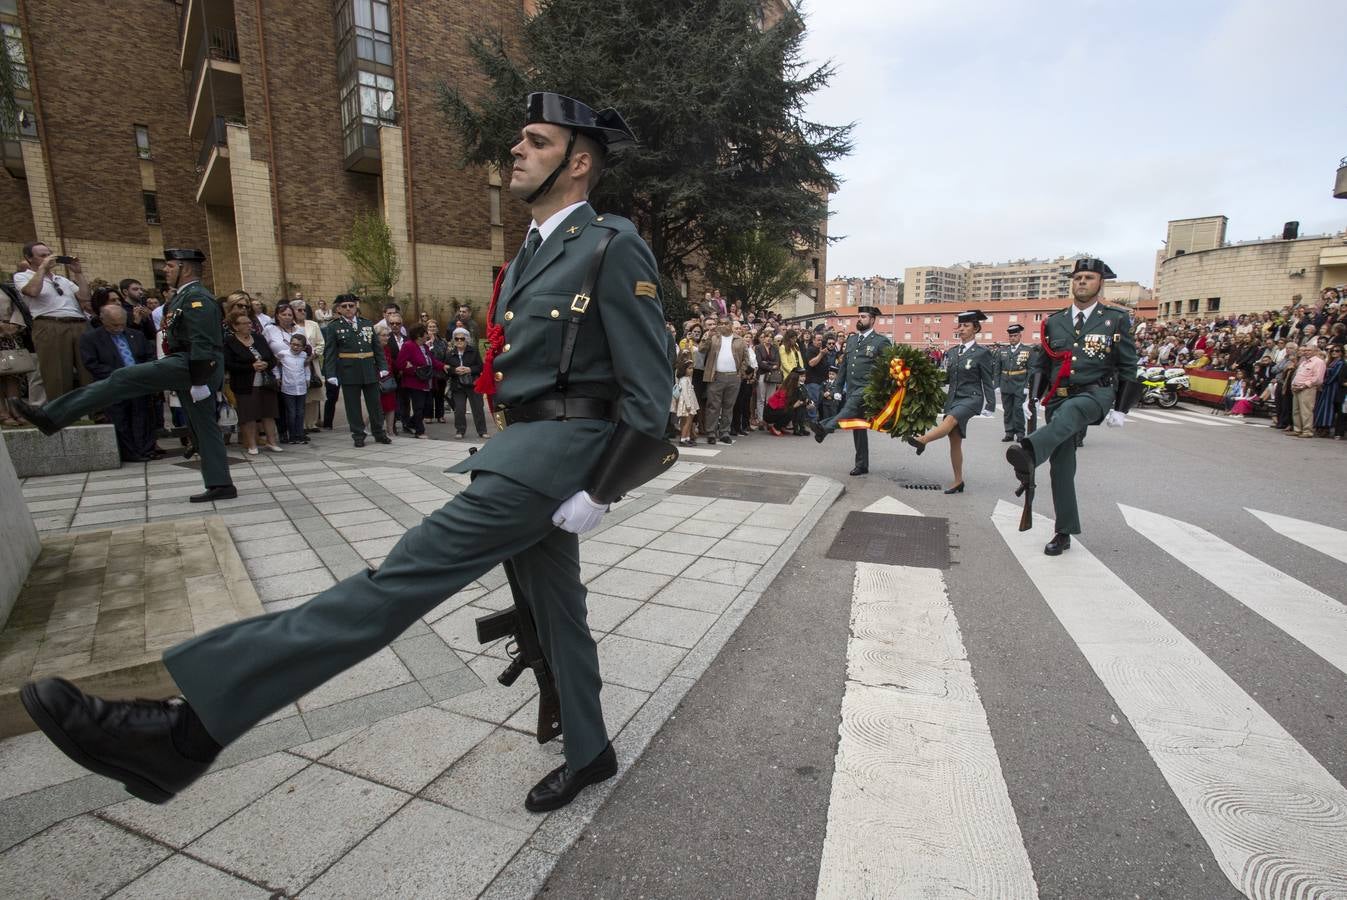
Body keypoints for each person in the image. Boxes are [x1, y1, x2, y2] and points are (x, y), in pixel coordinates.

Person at [18, 92, 671, 816]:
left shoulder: (612, 245)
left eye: (535, 141)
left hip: (559, 458)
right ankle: (591, 749)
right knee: (557, 611)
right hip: (521, 450)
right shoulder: (532, 253)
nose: (515, 150)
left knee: (390, 586)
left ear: (578, 163)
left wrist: (604, 489)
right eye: (519, 139)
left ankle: (184, 732)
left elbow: (650, 387)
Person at [12, 249, 236, 502]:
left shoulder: (197, 298)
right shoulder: (183, 297)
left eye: (170, 266)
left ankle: (50, 416)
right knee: (203, 426)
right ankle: (221, 484)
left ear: (185, 269)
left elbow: (203, 344)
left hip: (193, 364)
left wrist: (199, 380)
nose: (165, 270)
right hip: (193, 365)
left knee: (123, 378)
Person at [1005, 258, 1140, 556]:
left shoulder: (1114, 319)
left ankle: (1028, 451)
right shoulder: (1055, 321)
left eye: (1089, 277)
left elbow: (1129, 363)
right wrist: (1032, 396)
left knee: (1071, 412)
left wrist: (1122, 407)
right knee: (1061, 469)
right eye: (1078, 277)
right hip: (1058, 395)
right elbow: (1043, 362)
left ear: (1100, 283)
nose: (1082, 282)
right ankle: (1064, 531)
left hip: (1096, 393)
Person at [906, 310, 996, 493]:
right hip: (954, 398)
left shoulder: (982, 353)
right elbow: (947, 377)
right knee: (954, 440)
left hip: (971, 398)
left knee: (949, 422)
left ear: (976, 328)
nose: (961, 329)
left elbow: (987, 380)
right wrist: (924, 380)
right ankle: (958, 481)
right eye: (960, 326)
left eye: (966, 326)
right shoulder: (953, 352)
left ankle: (923, 440)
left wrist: (991, 404)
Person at [809, 305, 892, 476]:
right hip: (852, 387)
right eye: (859, 316)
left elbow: (889, 367)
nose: (859, 319)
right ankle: (862, 464)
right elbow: (844, 366)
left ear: (872, 320)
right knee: (857, 426)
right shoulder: (852, 340)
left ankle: (824, 428)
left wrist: (883, 389)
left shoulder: (881, 341)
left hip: (868, 389)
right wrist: (837, 388)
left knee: (848, 411)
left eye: (863, 316)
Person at [77, 304, 157, 462]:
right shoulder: (90, 338)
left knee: (142, 416)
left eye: (122, 324)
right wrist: (119, 375)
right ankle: (130, 453)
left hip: (139, 382)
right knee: (121, 419)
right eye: (114, 325)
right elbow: (92, 363)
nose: (119, 328)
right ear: (103, 320)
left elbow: (149, 355)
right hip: (114, 384)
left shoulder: (136, 335)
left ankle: (146, 449)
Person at [14, 241, 92, 401]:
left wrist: (78, 273)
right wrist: (43, 268)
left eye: (49, 254)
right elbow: (32, 291)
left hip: (78, 323)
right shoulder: (22, 276)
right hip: (49, 323)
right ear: (29, 258)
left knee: (88, 367)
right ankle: (61, 411)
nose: (48, 258)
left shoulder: (62, 280)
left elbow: (85, 298)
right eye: (42, 255)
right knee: (57, 372)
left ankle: (97, 410)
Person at [322, 293, 390, 448]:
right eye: (344, 306)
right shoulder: (334, 327)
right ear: (339, 309)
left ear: (356, 306)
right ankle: (358, 434)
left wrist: (383, 366)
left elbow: (377, 348)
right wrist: (330, 373)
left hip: (369, 369)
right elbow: (330, 352)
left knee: (375, 404)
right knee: (353, 406)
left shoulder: (366, 323)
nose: (348, 309)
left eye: (351, 306)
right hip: (349, 370)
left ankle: (379, 432)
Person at [223, 310, 282, 456]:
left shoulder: (259, 338)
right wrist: (251, 367)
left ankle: (271, 441)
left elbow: (272, 358)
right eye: (245, 323)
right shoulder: (229, 342)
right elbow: (228, 364)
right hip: (245, 384)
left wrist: (266, 364)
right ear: (235, 326)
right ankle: (252, 444)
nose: (249, 326)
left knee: (269, 412)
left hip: (266, 381)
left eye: (250, 322)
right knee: (248, 414)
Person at [698, 317, 748, 444]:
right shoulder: (714, 337)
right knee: (713, 406)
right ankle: (711, 432)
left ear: (731, 325)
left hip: (733, 377)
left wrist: (740, 373)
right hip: (716, 376)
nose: (723, 325)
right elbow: (701, 349)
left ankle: (724, 432)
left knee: (728, 406)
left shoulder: (739, 340)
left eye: (726, 323)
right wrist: (708, 335)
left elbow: (745, 359)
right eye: (721, 323)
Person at [393, 323, 443, 439]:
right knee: (419, 407)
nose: (427, 335)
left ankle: (410, 423)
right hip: (415, 382)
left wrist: (443, 366)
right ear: (419, 335)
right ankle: (419, 431)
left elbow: (432, 361)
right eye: (425, 333)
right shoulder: (408, 346)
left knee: (427, 406)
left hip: (427, 381)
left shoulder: (425, 347)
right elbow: (400, 364)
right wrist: (414, 370)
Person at [291, 299, 325, 432]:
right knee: (301, 393)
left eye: (304, 310)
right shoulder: (290, 326)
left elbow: (321, 343)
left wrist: (313, 355)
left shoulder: (313, 325)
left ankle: (312, 423)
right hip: (296, 364)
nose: (302, 312)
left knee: (314, 392)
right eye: (299, 310)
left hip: (312, 362)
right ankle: (301, 424)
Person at [446, 326, 486, 438]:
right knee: (459, 409)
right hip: (457, 385)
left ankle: (482, 431)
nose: (459, 341)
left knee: (478, 408)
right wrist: (455, 370)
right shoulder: (450, 353)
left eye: (462, 339)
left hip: (473, 383)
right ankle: (460, 431)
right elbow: (446, 369)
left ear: (467, 339)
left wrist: (470, 369)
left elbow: (480, 367)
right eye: (457, 338)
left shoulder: (473, 351)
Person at [996, 323, 1030, 442]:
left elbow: (1031, 370)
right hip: (1005, 384)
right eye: (1011, 336)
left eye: (1015, 336)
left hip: (1020, 385)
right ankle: (1009, 432)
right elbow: (997, 369)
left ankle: (1020, 433)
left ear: (1020, 336)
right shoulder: (1002, 351)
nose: (1012, 338)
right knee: (1008, 410)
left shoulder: (1027, 350)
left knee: (1018, 409)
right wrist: (997, 385)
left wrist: (1027, 385)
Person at [277, 334, 313, 444]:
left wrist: (307, 379)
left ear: (303, 347)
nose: (295, 347)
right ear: (290, 344)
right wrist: (278, 377)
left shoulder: (303, 355)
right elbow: (275, 365)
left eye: (299, 345)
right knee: (291, 413)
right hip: (288, 388)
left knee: (300, 412)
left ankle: (300, 434)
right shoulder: (283, 354)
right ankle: (292, 435)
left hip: (301, 388)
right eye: (293, 344)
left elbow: (306, 368)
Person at [1289, 343, 1324, 438]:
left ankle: (1307, 431)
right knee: (1296, 410)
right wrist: (1293, 385)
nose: (1306, 352)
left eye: (1309, 350)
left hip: (1307, 389)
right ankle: (1297, 429)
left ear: (1315, 351)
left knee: (1306, 410)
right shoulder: (1304, 361)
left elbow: (1318, 378)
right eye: (1305, 350)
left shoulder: (1318, 362)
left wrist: (1304, 385)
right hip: (1296, 387)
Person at [763, 367, 808, 436]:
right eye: (798, 381)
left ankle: (781, 426)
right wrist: (794, 406)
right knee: (790, 412)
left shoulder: (795, 389)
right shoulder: (784, 390)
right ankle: (776, 427)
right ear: (793, 382)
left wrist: (806, 403)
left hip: (778, 411)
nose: (800, 383)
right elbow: (781, 407)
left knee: (791, 410)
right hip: (770, 413)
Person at [672, 354, 699, 445]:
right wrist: (688, 405)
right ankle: (683, 439)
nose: (691, 370)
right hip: (686, 403)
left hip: (690, 402)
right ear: (684, 369)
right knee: (686, 421)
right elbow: (685, 394)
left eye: (692, 368)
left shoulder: (687, 378)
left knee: (689, 420)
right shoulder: (683, 380)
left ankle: (687, 437)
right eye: (689, 368)